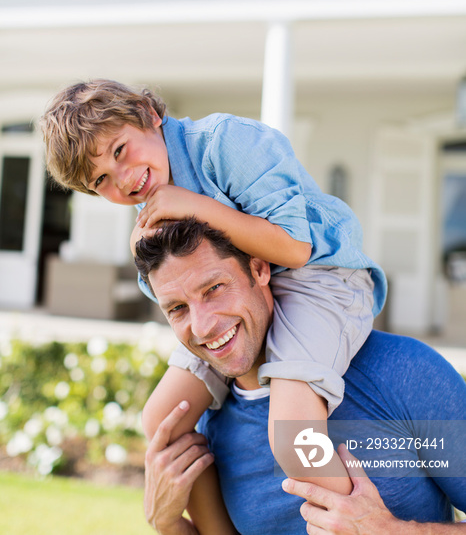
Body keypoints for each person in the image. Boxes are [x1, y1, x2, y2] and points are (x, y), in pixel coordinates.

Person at [40, 79, 387, 494]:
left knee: (294, 439)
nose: (125, 179)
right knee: (162, 423)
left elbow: (294, 247)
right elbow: (172, 294)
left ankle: (361, 521)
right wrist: (145, 259)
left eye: (120, 151)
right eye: (101, 181)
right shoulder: (150, 192)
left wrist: (194, 206)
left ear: (149, 114)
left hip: (319, 275)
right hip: (235, 295)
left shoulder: (226, 143)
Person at [134, 219, 466, 535]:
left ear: (259, 268)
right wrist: (170, 525)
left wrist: (391, 530)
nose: (202, 325)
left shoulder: (400, 373)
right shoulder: (208, 427)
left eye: (214, 288)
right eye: (177, 308)